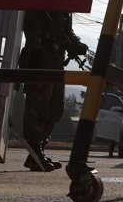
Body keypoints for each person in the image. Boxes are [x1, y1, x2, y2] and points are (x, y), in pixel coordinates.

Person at [19, 10, 88, 172]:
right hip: (39, 61)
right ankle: (35, 150)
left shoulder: (64, 6)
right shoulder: (40, 1)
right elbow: (30, 27)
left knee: (55, 108)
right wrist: (36, 47)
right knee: (37, 107)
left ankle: (37, 152)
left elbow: (65, 29)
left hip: (55, 63)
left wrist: (74, 43)